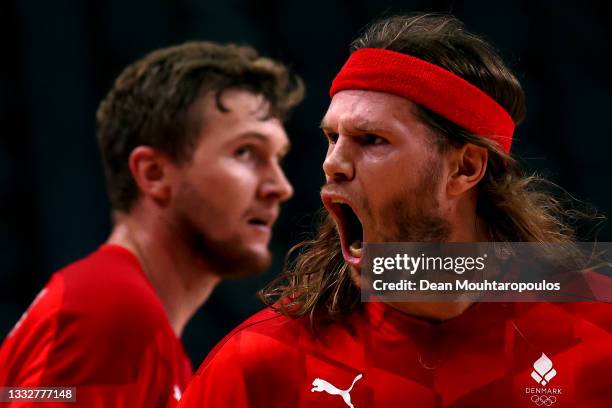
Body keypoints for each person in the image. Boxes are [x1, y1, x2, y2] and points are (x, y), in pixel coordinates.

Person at [177, 14, 611, 407]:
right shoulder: (262, 363)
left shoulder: (598, 337)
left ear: (464, 168)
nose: (332, 163)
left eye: (371, 140)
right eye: (332, 138)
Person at [0, 41, 303, 407]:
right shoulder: (112, 311)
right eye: (246, 152)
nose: (280, 187)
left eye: (278, 157)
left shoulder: (129, 320)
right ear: (153, 173)